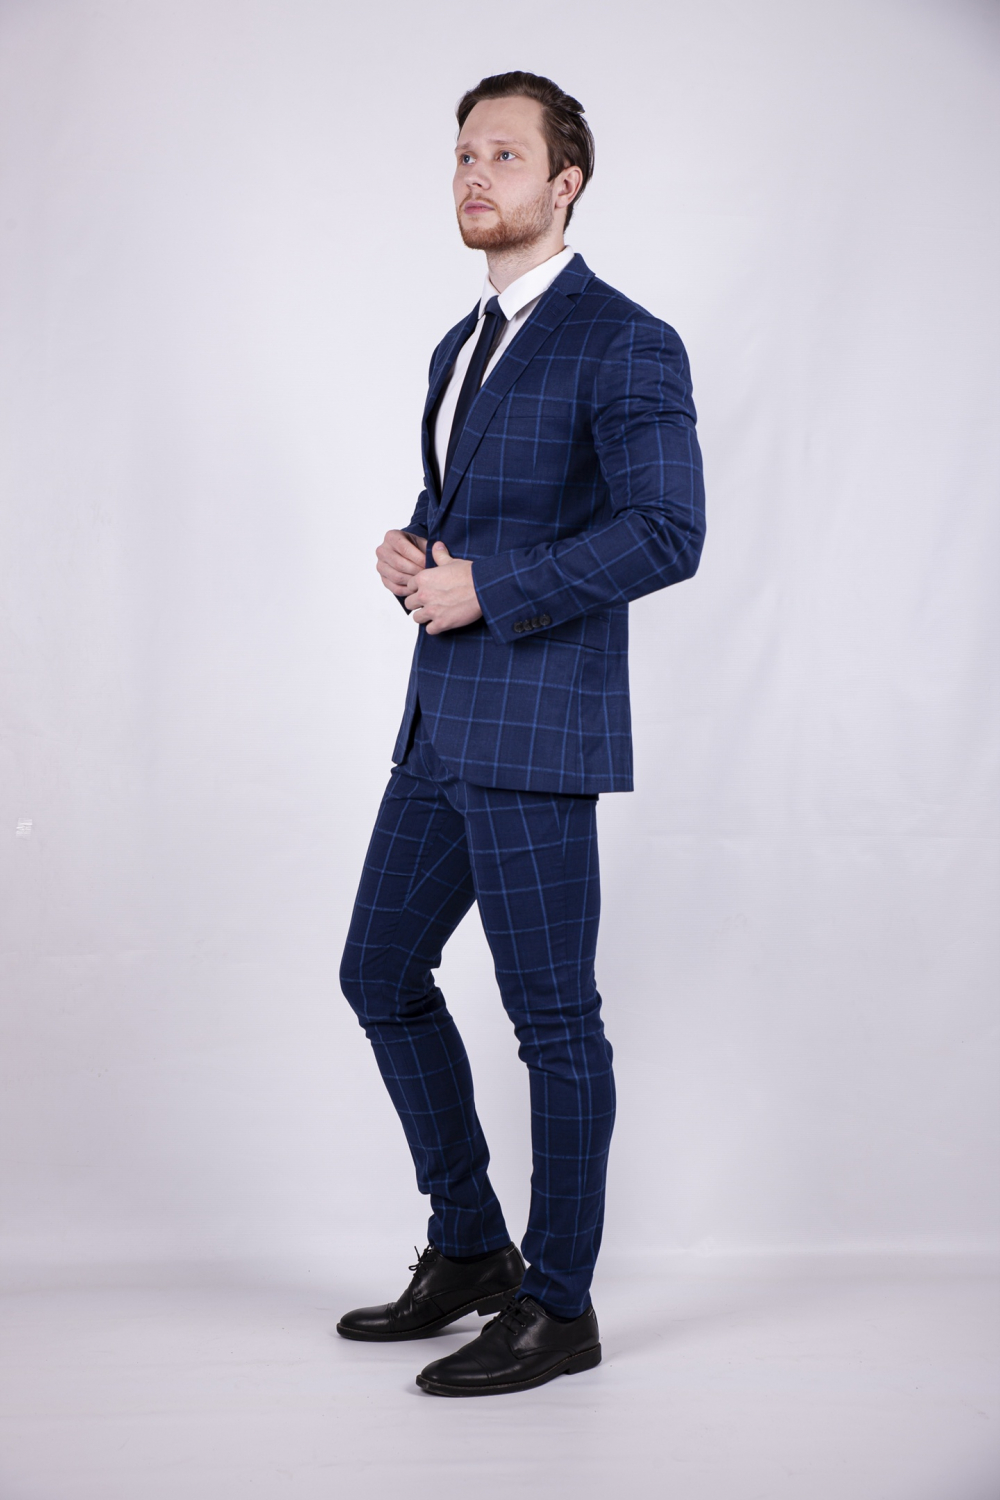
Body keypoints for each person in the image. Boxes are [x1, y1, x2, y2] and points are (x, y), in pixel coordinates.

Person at [337, 71, 705, 1397]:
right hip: (441, 722)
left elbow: (668, 531)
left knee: (553, 1022)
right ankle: (470, 1245)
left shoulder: (626, 340)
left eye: (503, 154)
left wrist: (490, 588)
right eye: (461, 154)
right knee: (379, 972)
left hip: (539, 729)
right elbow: (476, 509)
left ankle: (558, 1306)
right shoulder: (461, 343)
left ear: (566, 183)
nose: (473, 174)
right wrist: (417, 547)